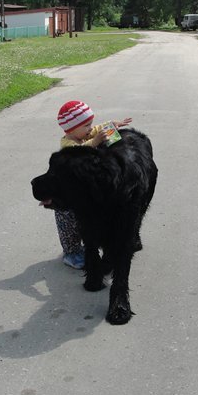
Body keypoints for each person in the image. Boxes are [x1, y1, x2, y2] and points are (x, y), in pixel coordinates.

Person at [54, 100, 133, 269]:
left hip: (83, 190)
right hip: (67, 195)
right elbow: (78, 152)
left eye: (90, 124)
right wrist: (95, 142)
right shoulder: (68, 144)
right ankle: (71, 253)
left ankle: (92, 244)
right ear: (72, 128)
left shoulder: (84, 133)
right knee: (70, 224)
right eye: (87, 125)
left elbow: (98, 129)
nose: (91, 128)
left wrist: (112, 125)